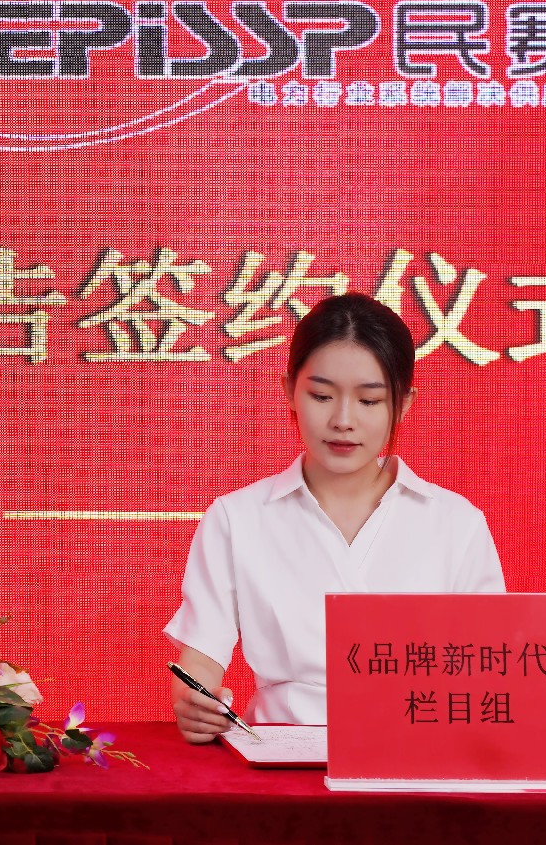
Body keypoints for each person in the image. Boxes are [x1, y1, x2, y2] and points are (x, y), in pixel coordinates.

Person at [165, 292, 503, 741]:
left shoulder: (456, 523)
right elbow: (201, 655)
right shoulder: (237, 517)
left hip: (420, 747)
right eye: (322, 395)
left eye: (369, 401)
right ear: (290, 390)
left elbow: (490, 667)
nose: (343, 420)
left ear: (404, 402)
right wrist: (197, 703)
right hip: (281, 747)